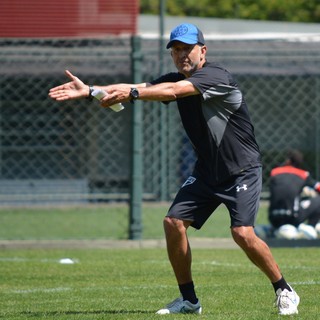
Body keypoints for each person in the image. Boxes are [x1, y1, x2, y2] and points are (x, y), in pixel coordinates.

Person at [49, 23, 300, 316]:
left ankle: (284, 290)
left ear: (202, 51)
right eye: (176, 49)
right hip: (208, 172)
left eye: (187, 48)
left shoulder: (216, 76)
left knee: (242, 233)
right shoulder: (174, 79)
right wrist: (91, 90)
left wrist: (131, 95)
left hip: (241, 170)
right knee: (173, 223)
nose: (181, 54)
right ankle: (189, 300)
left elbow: (171, 90)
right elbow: (141, 87)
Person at [269, 150, 320, 232]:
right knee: (318, 200)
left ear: (288, 160)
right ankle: (311, 228)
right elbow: (318, 187)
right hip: (293, 218)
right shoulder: (303, 174)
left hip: (274, 219)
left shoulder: (274, 172)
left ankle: (275, 231)